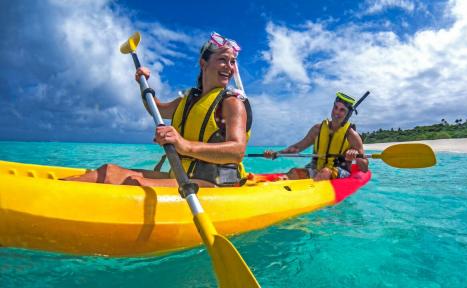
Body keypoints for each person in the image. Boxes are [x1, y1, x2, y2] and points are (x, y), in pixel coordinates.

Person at [65, 32, 252, 187]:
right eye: (223, 60)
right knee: (109, 171)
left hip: (215, 183)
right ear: (204, 64)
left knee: (137, 183)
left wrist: (183, 145)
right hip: (181, 176)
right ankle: (56, 188)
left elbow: (237, 152)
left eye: (232, 62)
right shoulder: (188, 100)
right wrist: (143, 85)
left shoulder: (231, 103)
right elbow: (158, 109)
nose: (229, 67)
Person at [264, 92, 368, 181]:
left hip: (340, 173)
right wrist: (276, 154)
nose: (336, 112)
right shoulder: (317, 129)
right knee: (294, 171)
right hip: (317, 169)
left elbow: (364, 167)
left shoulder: (351, 135)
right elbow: (296, 148)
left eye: (342, 110)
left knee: (325, 172)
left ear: (348, 113)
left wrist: (357, 156)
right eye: (335, 107)